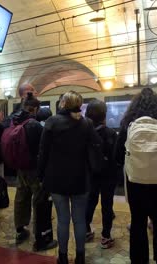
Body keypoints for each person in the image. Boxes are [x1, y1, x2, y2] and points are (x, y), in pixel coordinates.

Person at [114, 88, 157, 264]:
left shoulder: (128, 125)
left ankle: (139, 261)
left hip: (136, 185)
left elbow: (117, 156)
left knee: (138, 224)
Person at [38, 91, 96, 264]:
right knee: (79, 220)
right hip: (80, 179)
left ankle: (62, 257)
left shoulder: (52, 122)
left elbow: (43, 152)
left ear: (63, 103)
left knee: (63, 220)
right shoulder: (87, 123)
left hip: (57, 180)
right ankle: (80, 257)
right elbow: (93, 148)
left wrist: (41, 176)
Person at [10, 93, 58, 251]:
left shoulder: (14, 121)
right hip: (34, 169)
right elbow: (43, 149)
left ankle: (20, 229)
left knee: (21, 197)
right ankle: (41, 238)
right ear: (35, 109)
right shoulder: (35, 125)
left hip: (20, 168)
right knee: (39, 201)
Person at [84, 99, 117, 249]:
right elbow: (115, 157)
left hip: (90, 174)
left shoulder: (84, 133)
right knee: (107, 205)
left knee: (90, 202)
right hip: (108, 175)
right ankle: (105, 236)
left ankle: (85, 231)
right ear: (104, 115)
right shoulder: (110, 133)